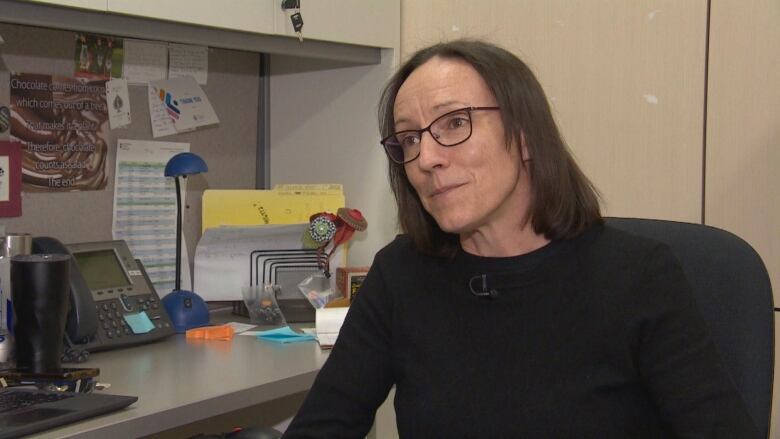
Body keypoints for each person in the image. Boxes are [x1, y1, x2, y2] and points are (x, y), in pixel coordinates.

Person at [283, 40, 759, 438]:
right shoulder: (400, 275)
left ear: (526, 134)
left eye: (454, 122)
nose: (426, 157)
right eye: (408, 139)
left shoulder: (638, 276)